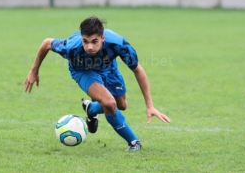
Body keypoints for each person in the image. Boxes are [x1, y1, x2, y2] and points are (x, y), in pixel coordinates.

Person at [24, 16, 171, 151]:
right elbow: (47, 43)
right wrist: (34, 70)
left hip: (108, 68)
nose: (89, 47)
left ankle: (91, 109)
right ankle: (133, 142)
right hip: (82, 71)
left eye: (94, 41)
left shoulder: (118, 44)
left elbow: (138, 70)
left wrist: (150, 105)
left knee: (122, 105)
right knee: (109, 103)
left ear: (103, 37)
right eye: (85, 41)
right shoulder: (71, 46)